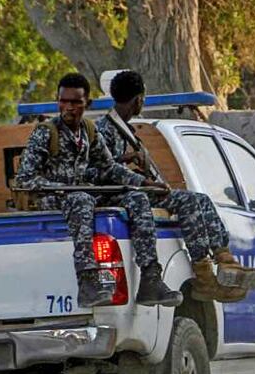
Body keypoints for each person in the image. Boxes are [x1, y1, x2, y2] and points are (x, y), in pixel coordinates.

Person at [95, 70, 255, 302]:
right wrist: (143, 181)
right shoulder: (103, 129)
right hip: (115, 195)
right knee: (181, 200)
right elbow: (103, 170)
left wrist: (137, 165)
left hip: (132, 190)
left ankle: (221, 261)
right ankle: (205, 276)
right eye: (143, 98)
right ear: (138, 99)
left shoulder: (125, 130)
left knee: (198, 200)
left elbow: (114, 164)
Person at [14, 73, 181, 308]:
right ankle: (88, 281)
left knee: (136, 198)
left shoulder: (89, 132)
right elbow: (25, 180)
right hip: (51, 198)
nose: (68, 107)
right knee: (81, 199)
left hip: (83, 196)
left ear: (87, 104)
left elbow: (109, 168)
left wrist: (142, 183)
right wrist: (65, 189)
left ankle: (150, 278)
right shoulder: (45, 132)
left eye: (75, 102)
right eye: (63, 101)